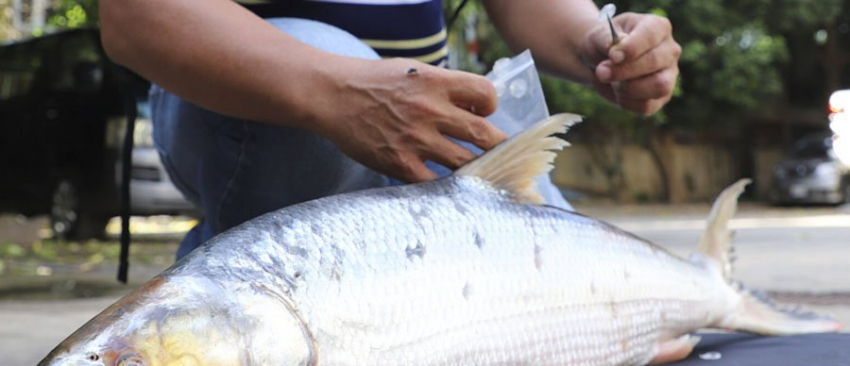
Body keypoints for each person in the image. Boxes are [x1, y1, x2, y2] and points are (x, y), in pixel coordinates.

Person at [100, 0, 681, 257]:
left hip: (431, 115)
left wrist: (598, 43)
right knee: (319, 54)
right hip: (260, 114)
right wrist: (342, 89)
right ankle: (236, 302)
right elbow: (136, 13)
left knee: (574, 283)